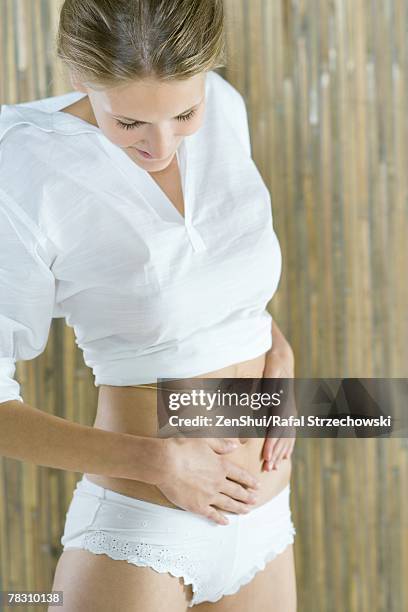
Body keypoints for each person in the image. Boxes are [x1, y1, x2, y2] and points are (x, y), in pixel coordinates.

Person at [0, 0, 297, 609]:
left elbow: (220, 277)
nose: (160, 145)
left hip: (265, 522)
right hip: (144, 530)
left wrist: (277, 347)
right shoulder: (25, 168)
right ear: (79, 75)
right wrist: (160, 463)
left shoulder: (223, 106)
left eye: (184, 113)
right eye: (129, 122)